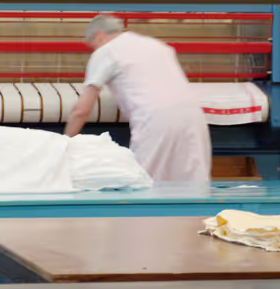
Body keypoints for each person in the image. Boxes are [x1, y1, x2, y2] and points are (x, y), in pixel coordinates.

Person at [65, 14, 212, 182]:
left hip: (156, 121)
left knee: (142, 183)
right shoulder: (157, 45)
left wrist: (65, 143)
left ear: (98, 35)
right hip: (193, 117)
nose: (94, 50)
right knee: (192, 184)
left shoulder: (107, 51)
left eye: (92, 46)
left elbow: (81, 110)